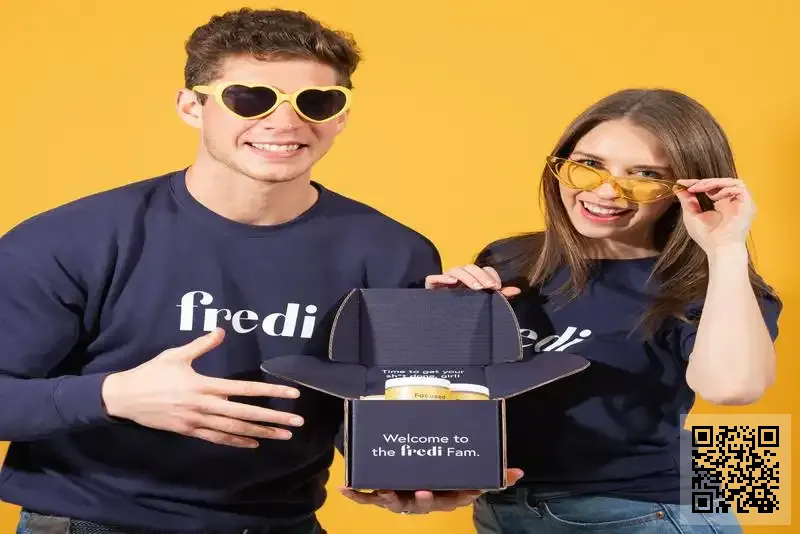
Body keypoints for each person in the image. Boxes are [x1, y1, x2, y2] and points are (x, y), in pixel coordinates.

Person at [0, 7, 498, 533]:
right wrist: (115, 396)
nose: (285, 123)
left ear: (341, 116)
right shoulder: (70, 239)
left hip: (282, 524)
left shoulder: (394, 252)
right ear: (191, 106)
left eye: (316, 102)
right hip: (94, 522)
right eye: (249, 98)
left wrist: (414, 471)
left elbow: (373, 414)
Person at [424, 88, 781, 533]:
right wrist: (439, 319)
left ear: (684, 189)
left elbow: (734, 389)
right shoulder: (509, 259)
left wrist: (726, 246)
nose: (607, 191)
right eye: (589, 164)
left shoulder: (711, 281)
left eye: (646, 175)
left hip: (644, 512)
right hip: (504, 508)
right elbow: (460, 392)